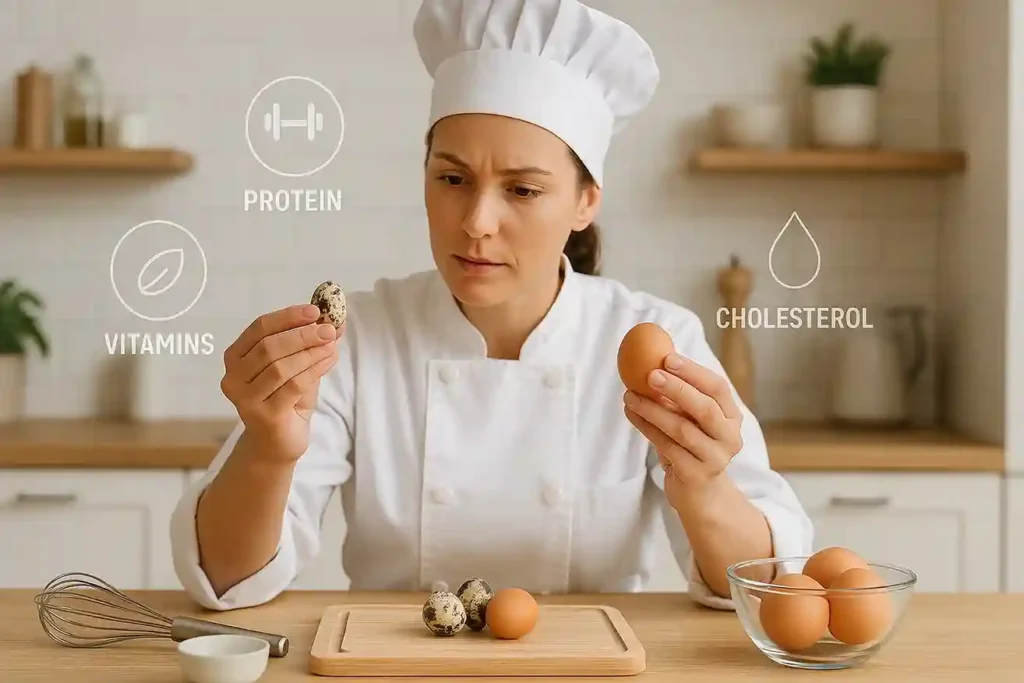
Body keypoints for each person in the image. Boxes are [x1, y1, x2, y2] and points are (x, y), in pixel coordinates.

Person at [170, 0, 813, 612]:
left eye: (523, 189)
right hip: (396, 667)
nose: (477, 222)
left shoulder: (655, 338)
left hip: (588, 668)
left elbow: (763, 589)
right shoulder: (359, 341)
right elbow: (225, 580)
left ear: (586, 201)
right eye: (452, 179)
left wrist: (702, 488)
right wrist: (269, 450)